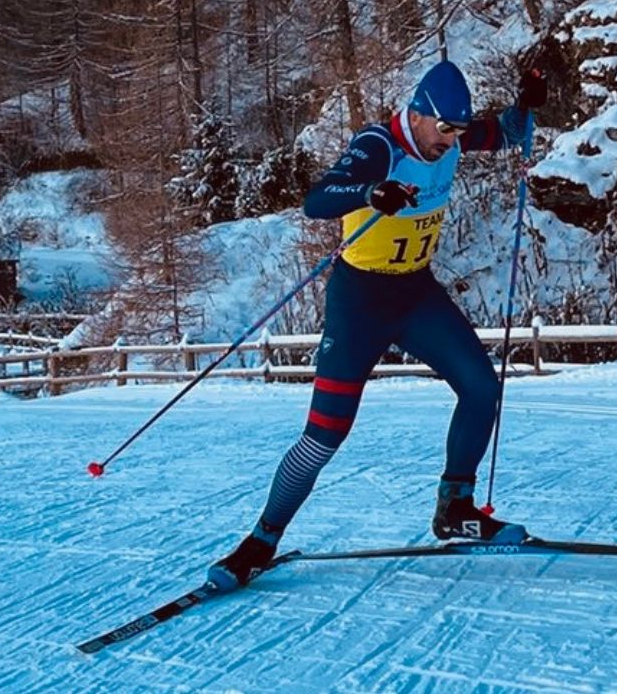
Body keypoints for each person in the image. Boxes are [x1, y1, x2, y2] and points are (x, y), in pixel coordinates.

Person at [208, 60, 547, 591]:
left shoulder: (451, 138)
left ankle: (455, 507)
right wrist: (371, 194)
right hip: (360, 302)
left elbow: (504, 132)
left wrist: (525, 103)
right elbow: (318, 200)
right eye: (445, 130)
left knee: (482, 387)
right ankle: (260, 541)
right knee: (325, 435)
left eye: (459, 131)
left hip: (415, 293)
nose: (452, 142)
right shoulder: (377, 146)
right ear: (418, 114)